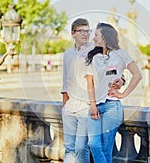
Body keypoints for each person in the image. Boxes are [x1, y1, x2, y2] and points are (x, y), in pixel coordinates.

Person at [61, 18, 124, 163]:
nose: (86, 34)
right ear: (72, 33)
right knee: (69, 147)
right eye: (81, 31)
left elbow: (115, 70)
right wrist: (64, 103)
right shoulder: (68, 54)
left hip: (87, 105)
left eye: (88, 31)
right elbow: (65, 80)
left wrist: (121, 80)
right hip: (70, 106)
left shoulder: (95, 50)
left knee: (81, 147)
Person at [85, 22, 142, 163]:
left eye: (96, 35)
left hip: (112, 107)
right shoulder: (93, 57)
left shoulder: (121, 54)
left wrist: (123, 94)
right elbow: (90, 84)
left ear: (104, 37)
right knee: (93, 144)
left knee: (106, 149)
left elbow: (137, 75)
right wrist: (93, 105)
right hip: (94, 106)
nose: (94, 38)